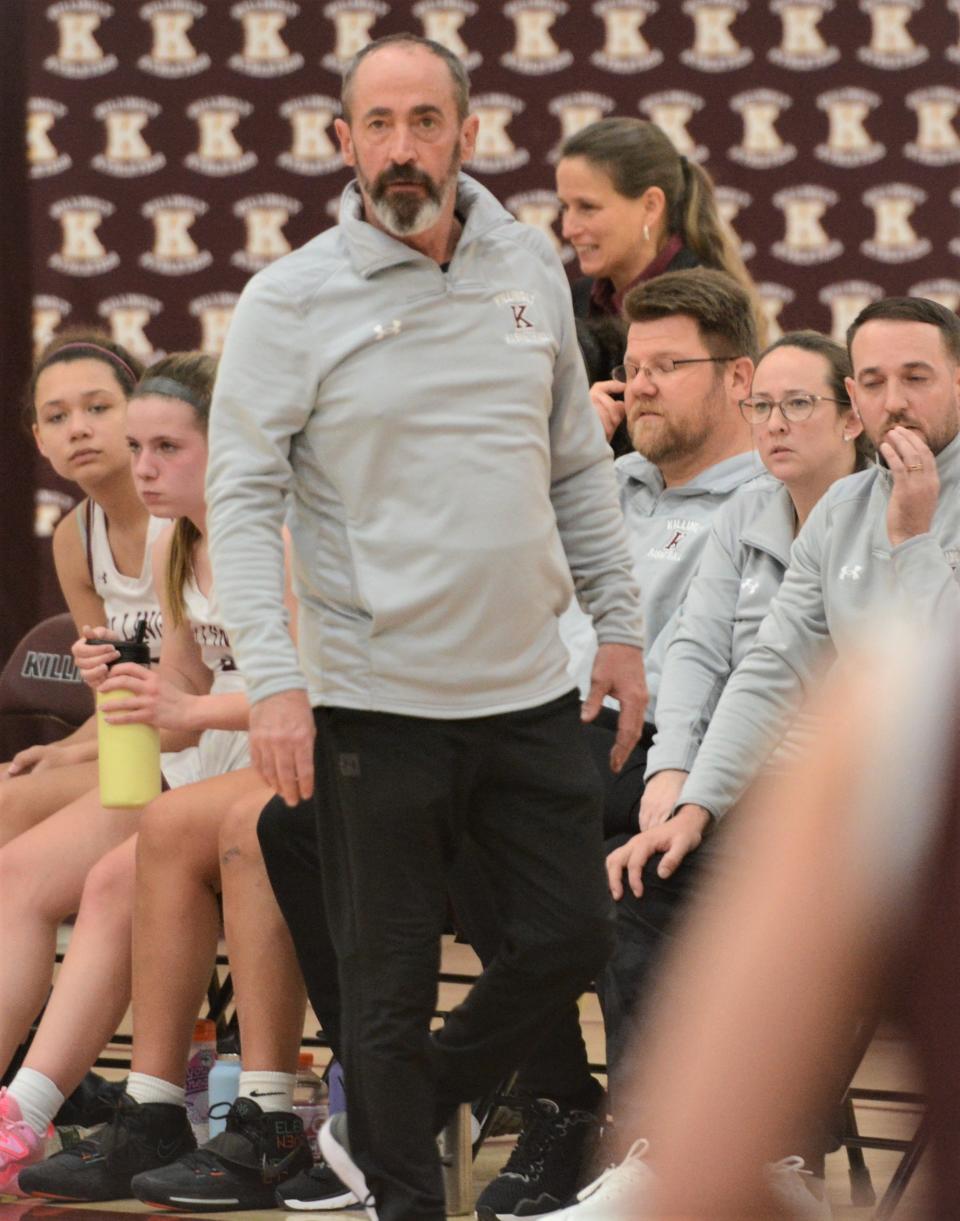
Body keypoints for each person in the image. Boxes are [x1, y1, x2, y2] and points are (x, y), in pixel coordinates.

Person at [203, 32, 647, 1221]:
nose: (403, 147)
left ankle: (403, 1109)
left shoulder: (527, 270)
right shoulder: (288, 301)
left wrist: (622, 628)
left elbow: (574, 466)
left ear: (469, 130)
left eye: (425, 120)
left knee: (568, 938)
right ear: (342, 143)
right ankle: (403, 1192)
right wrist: (278, 681)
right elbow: (240, 503)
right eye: (378, 124)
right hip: (370, 703)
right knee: (386, 994)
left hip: (526, 692)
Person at [550, 294, 960, 1217]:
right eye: (878, 380)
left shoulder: (908, 506)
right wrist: (690, 803)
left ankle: (769, 1156)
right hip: (850, 808)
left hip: (917, 823)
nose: (896, 403)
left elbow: (925, 697)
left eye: (918, 379)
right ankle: (679, 1157)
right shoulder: (842, 509)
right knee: (653, 869)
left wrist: (916, 535)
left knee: (807, 871)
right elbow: (764, 666)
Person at [441, 267, 769, 1220]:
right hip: (558, 731)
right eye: (633, 365)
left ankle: (647, 1135)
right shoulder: (601, 486)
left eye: (670, 365)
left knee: (532, 824)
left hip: (672, 746)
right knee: (384, 814)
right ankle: (556, 1103)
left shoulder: (770, 499)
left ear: (740, 380)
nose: (643, 385)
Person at [4, 355, 285, 1199]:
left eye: (158, 442)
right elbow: (177, 684)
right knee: (35, 854)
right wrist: (118, 687)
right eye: (59, 416)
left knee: (125, 855)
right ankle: (48, 1105)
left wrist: (167, 712)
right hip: (180, 761)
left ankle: (244, 1105)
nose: (136, 457)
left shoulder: (269, 530)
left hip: (266, 767)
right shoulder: (169, 542)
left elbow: (303, 691)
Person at [0, 330, 162, 847]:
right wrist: (67, 749)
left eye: (97, 408)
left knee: (9, 803)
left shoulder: (188, 518)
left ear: (142, 413)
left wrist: (73, 754)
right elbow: (110, 694)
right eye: (57, 417)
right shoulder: (74, 538)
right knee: (14, 784)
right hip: (140, 746)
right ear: (39, 439)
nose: (78, 430)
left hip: (206, 745)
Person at [555, 116, 766, 451]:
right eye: (565, 207)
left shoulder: (709, 304)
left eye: (587, 208)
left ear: (651, 206)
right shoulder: (572, 300)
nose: (568, 228)